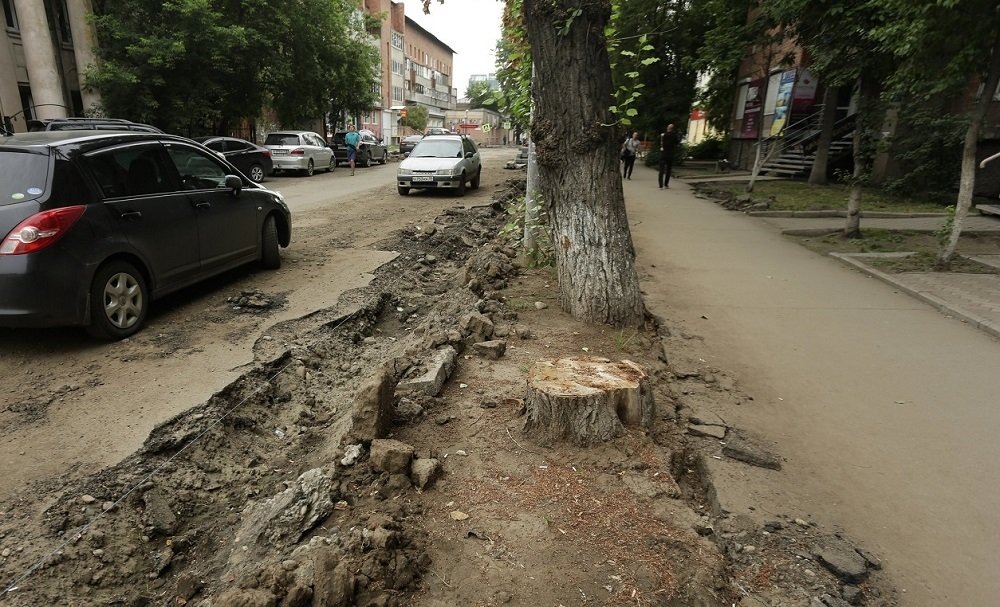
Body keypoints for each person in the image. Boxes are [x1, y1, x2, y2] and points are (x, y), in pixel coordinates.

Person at [659, 123, 680, 189]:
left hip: (663, 153)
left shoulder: (663, 135)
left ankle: (660, 185)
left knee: (661, 170)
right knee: (668, 169)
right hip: (670, 154)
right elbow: (677, 143)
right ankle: (666, 184)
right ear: (672, 129)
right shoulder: (674, 136)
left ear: (667, 128)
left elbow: (660, 143)